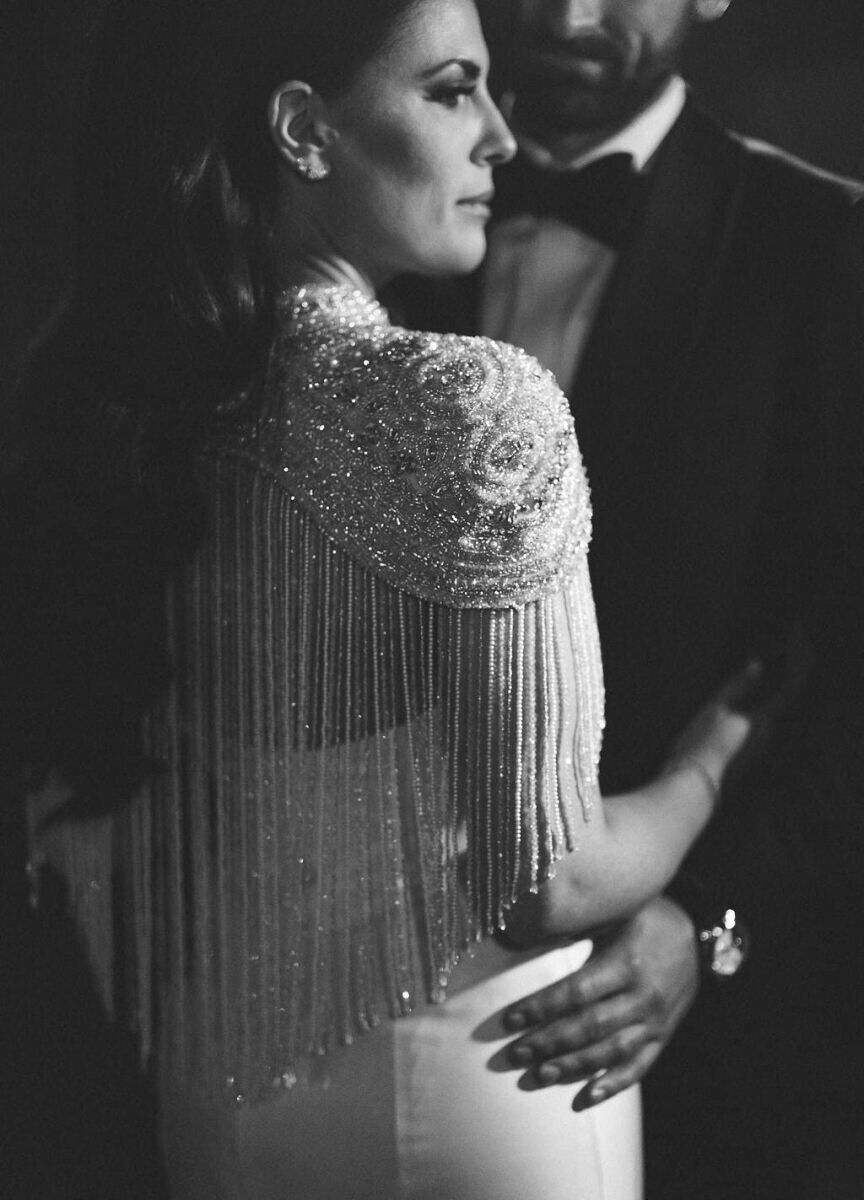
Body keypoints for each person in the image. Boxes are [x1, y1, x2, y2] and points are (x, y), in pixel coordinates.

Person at [0, 0, 759, 1197]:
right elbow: (546, 878)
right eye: (453, 89)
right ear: (304, 130)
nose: (502, 136)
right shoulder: (475, 408)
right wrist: (710, 769)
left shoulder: (113, 408)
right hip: (493, 1089)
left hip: (223, 1102)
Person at [394, 0, 864, 1195]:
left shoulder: (825, 246)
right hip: (360, 970)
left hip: (710, 1029)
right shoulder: (363, 217)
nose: (567, 14)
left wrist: (709, 921)